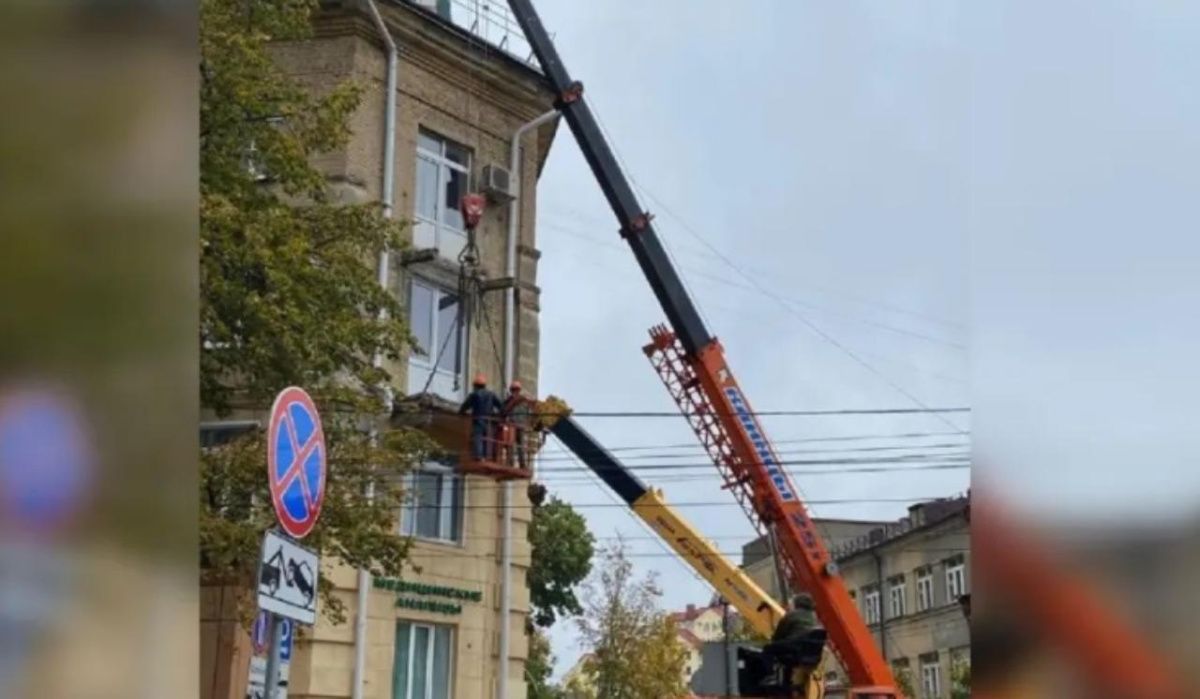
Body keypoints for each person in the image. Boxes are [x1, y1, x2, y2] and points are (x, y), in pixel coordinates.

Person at [764, 593, 824, 694]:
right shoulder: (814, 617)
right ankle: (789, 686)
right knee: (787, 659)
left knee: (768, 649)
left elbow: (778, 636)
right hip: (809, 654)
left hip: (796, 648)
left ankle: (770, 676)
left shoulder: (792, 615)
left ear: (797, 603)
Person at [459, 373, 502, 460]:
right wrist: (498, 416)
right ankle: (487, 457)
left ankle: (479, 456)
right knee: (488, 438)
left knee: (478, 437)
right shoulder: (491, 394)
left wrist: (461, 413)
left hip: (478, 420)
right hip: (489, 421)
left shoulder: (474, 395)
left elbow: (465, 406)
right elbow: (501, 406)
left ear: (475, 385)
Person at [501, 380, 532, 469]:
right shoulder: (524, 401)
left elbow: (503, 412)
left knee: (512, 445)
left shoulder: (510, 401)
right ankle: (521, 464)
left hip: (513, 426)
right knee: (519, 446)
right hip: (520, 426)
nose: (515, 392)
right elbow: (529, 414)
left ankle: (511, 463)